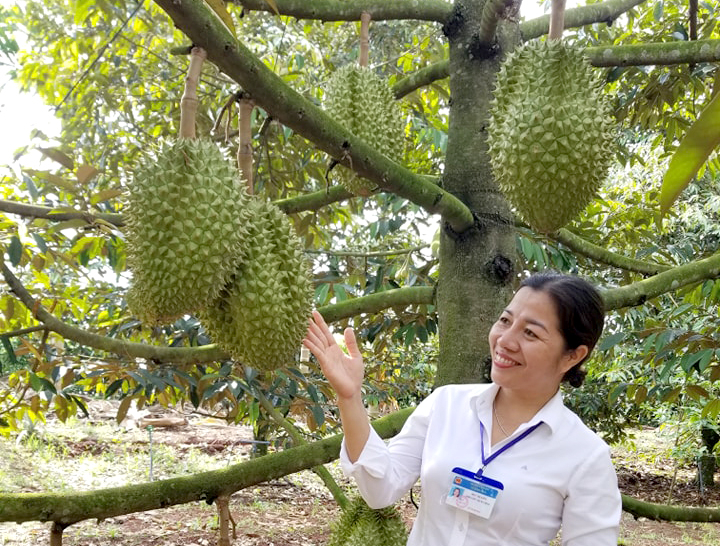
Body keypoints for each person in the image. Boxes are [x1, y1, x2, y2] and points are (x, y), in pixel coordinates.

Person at [303, 271, 622, 545]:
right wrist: (350, 398)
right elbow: (380, 489)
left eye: (530, 333)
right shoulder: (447, 404)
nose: (505, 340)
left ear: (572, 356)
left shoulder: (584, 455)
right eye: (505, 320)